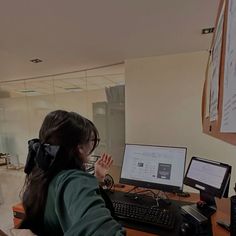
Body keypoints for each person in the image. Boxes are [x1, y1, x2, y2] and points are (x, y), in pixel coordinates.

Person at [19, 110, 125, 236]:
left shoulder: (41, 174)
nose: (92, 146)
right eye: (91, 141)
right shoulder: (75, 180)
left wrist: (97, 178)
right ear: (79, 147)